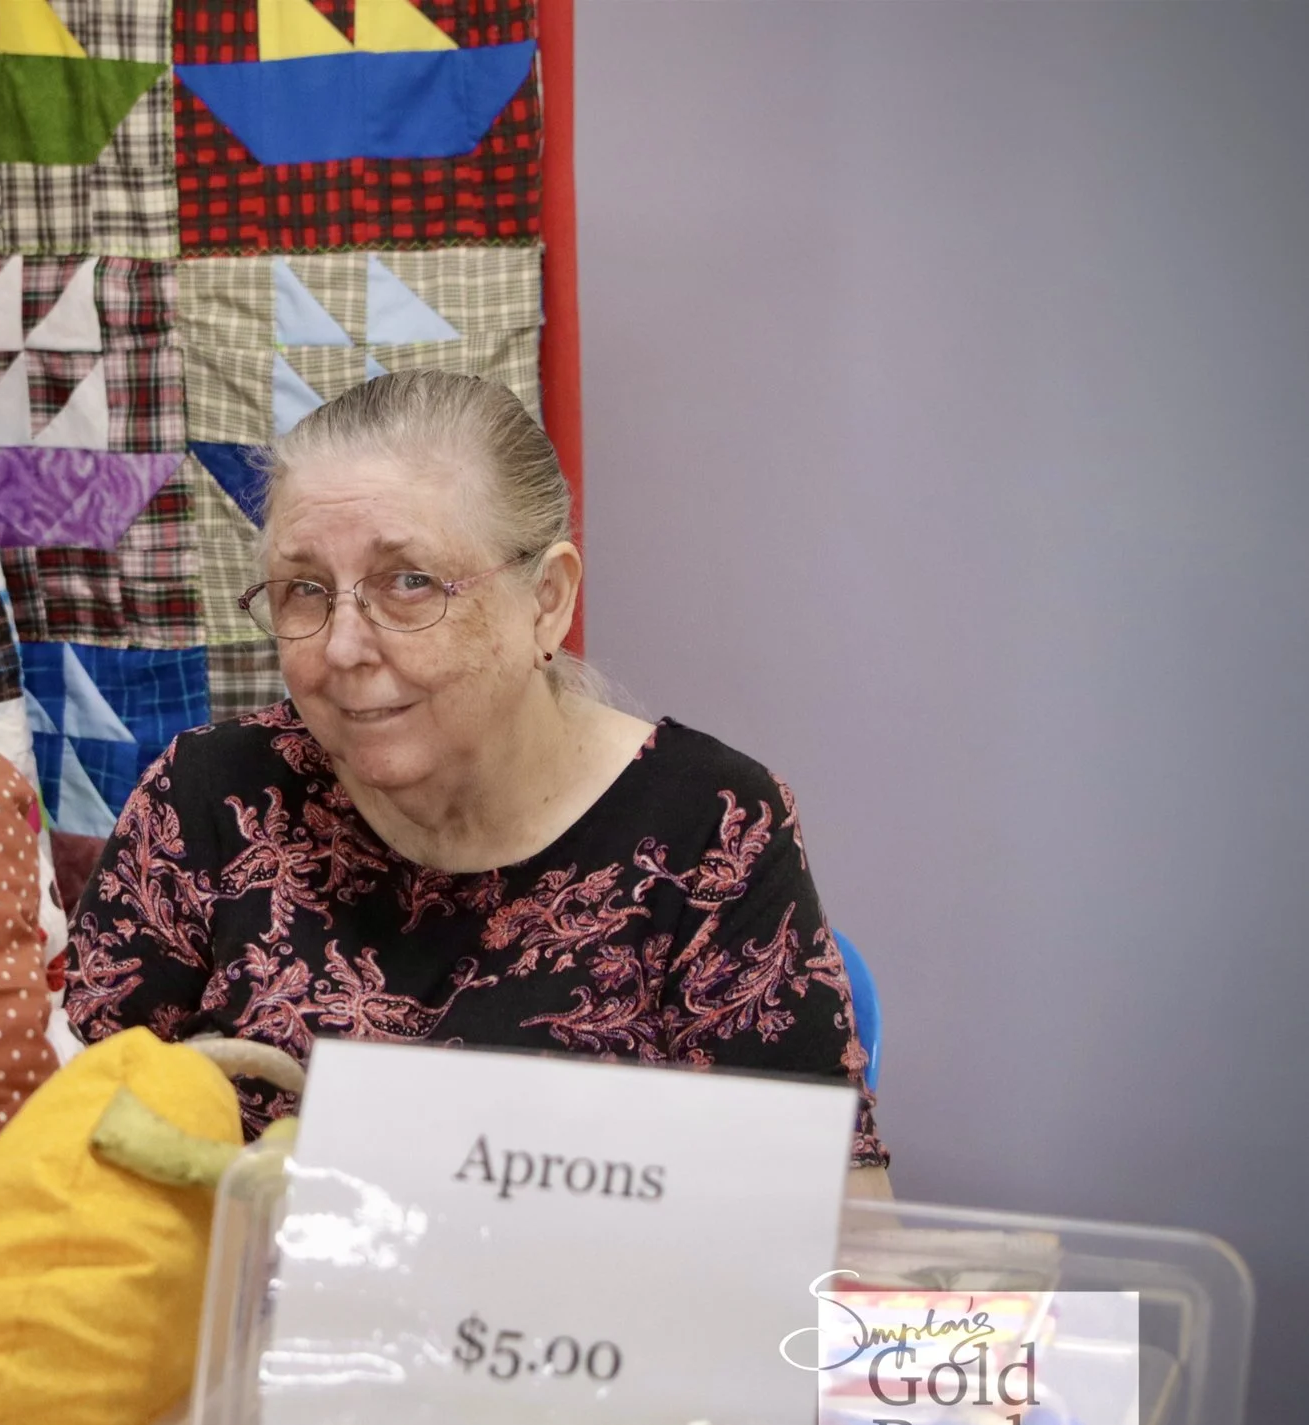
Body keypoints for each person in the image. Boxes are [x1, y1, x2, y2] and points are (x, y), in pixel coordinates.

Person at [63, 369, 888, 1183]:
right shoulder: (213, 798)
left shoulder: (712, 828)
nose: (343, 647)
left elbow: (834, 1226)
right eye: (303, 590)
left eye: (410, 582)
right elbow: (66, 1146)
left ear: (547, 602)